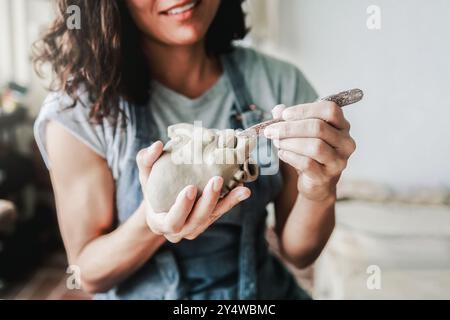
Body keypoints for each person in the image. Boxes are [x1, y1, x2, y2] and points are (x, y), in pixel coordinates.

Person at [33, 0, 356, 299]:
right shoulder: (76, 113)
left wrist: (319, 188)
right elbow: (86, 274)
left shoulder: (278, 83)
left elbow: (299, 253)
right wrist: (153, 223)